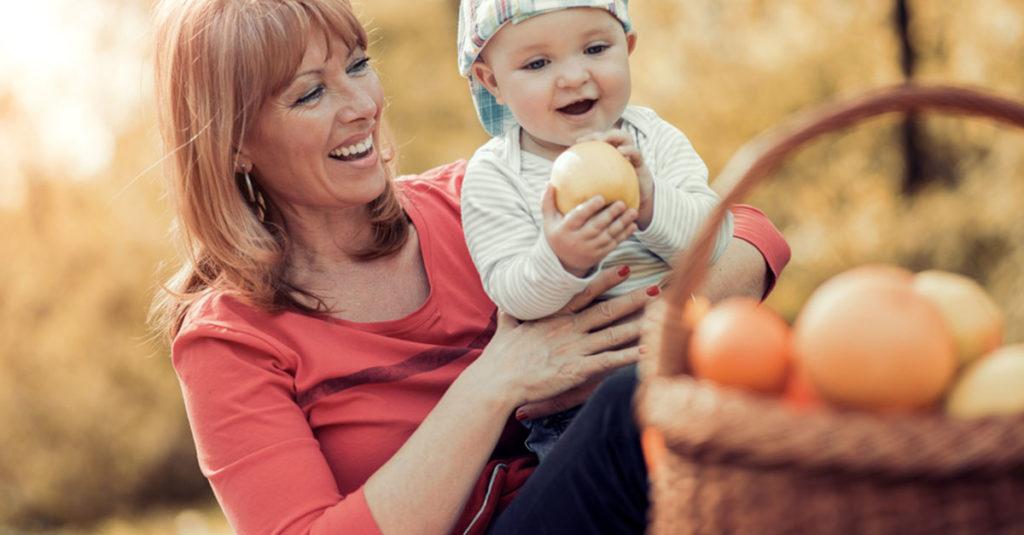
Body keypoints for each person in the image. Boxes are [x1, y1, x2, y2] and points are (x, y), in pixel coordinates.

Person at [149, 1, 790, 534]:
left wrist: (627, 336)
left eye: (359, 65)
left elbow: (752, 236)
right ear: (233, 143)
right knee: (638, 406)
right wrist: (500, 380)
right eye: (311, 92)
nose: (362, 104)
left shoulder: (472, 202)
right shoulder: (231, 340)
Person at [456, 0, 732, 460]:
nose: (573, 77)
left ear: (628, 47)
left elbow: (715, 243)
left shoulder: (654, 141)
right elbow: (511, 293)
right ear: (492, 81)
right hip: (577, 406)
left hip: (691, 364)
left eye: (595, 48)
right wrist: (562, 258)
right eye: (538, 63)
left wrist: (651, 201)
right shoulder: (495, 174)